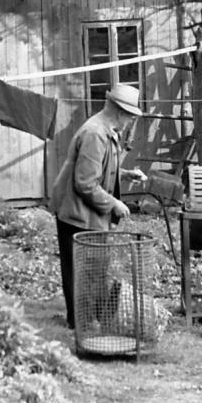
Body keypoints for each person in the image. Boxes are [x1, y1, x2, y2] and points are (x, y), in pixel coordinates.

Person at [49, 83, 147, 329]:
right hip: (76, 213)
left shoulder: (106, 130)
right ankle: (80, 322)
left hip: (87, 212)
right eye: (130, 117)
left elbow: (97, 169)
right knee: (81, 270)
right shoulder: (95, 133)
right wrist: (114, 203)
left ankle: (90, 317)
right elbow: (85, 183)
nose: (130, 122)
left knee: (94, 268)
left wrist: (124, 174)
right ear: (120, 112)